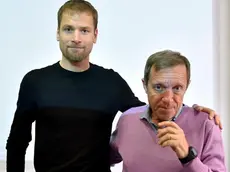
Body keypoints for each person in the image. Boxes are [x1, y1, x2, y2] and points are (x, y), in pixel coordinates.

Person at [6, 0, 222, 172]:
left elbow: (149, 111)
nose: (76, 38)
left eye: (84, 30)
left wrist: (194, 110)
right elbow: (17, 141)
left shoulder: (111, 82)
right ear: (57, 33)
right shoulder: (35, 81)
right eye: (68, 29)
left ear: (95, 35)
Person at [110, 50, 226, 172]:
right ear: (145, 85)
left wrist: (188, 156)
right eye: (159, 87)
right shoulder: (127, 120)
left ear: (186, 86)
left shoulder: (206, 124)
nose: (168, 99)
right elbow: (97, 159)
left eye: (177, 88)